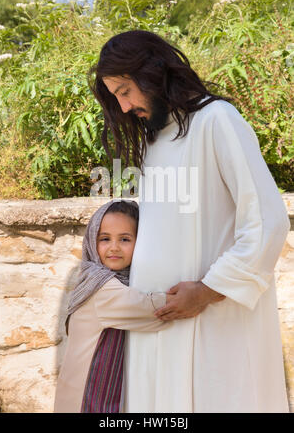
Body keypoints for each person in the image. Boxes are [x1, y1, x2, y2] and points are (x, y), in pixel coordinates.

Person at [88, 30, 291, 413]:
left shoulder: (217, 120)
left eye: (126, 90)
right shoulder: (155, 139)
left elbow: (266, 222)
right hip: (158, 330)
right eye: (116, 96)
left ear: (152, 73)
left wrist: (208, 290)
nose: (125, 106)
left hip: (215, 323)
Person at [53, 199, 172, 413]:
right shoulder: (102, 288)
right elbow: (157, 310)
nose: (114, 247)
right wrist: (203, 291)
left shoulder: (97, 279)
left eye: (125, 239)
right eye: (105, 239)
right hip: (86, 402)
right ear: (91, 241)